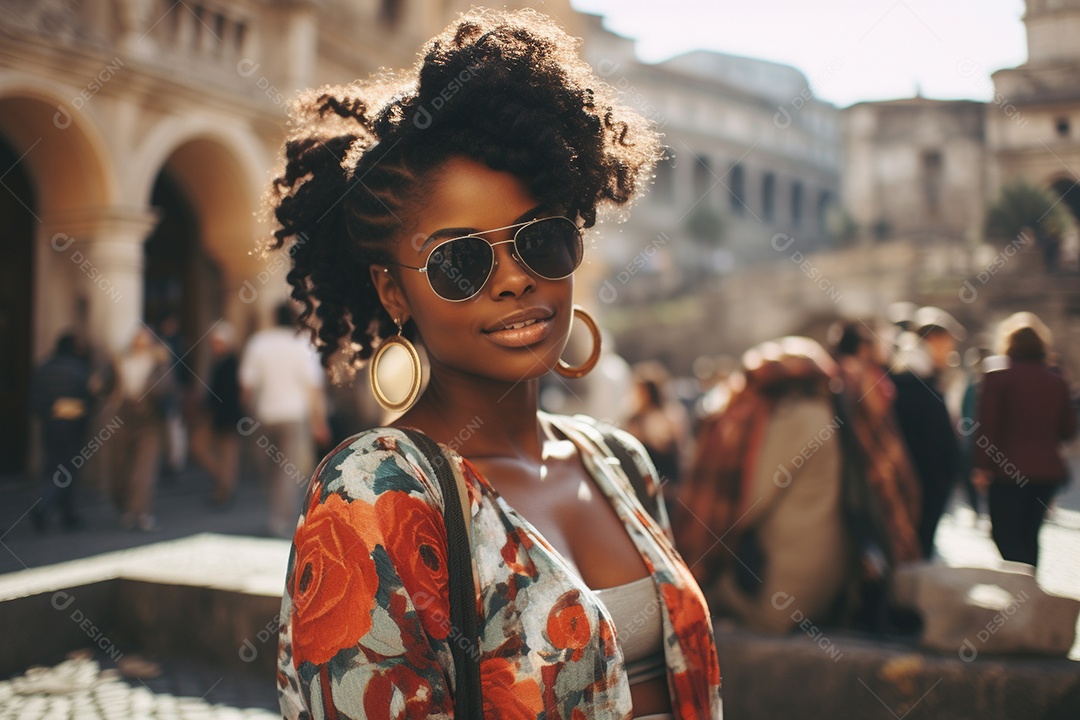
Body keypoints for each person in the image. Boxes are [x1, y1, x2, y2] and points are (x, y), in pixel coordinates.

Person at [269, 10, 721, 719]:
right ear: (395, 291)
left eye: (541, 239)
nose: (513, 280)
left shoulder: (620, 462)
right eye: (460, 259)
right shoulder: (374, 491)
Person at [675, 337, 850, 635]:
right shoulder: (823, 411)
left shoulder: (793, 418)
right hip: (828, 574)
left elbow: (749, 504)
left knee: (702, 594)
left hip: (786, 591)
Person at [973, 312, 1077, 567]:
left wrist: (982, 466)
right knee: (1030, 535)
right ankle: (1029, 591)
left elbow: (988, 426)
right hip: (1047, 473)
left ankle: (1022, 591)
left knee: (1005, 534)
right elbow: (1067, 431)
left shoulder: (997, 377)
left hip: (1007, 471)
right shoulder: (1057, 381)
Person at [240, 302, 330, 538]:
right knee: (289, 468)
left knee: (269, 468)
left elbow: (246, 387)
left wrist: (249, 412)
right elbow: (314, 388)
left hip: (265, 415)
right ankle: (283, 517)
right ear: (294, 320)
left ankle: (278, 512)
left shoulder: (258, 343)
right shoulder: (302, 345)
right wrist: (319, 421)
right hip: (294, 416)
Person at [891, 306, 964, 558]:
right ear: (933, 340)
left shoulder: (922, 378)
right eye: (948, 344)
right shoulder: (914, 382)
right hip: (919, 491)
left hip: (924, 488)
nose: (951, 352)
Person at [108, 327, 176, 531]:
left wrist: (155, 380)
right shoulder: (122, 360)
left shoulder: (160, 363)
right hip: (123, 417)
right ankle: (125, 507)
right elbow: (107, 384)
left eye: (146, 338)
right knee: (119, 468)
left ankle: (141, 511)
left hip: (150, 420)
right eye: (139, 338)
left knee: (143, 471)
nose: (142, 342)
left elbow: (167, 387)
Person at [30, 333, 94, 532]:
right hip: (71, 427)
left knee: (53, 467)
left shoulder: (44, 367)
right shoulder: (79, 369)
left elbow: (34, 399)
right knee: (66, 470)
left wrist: (48, 415)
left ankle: (67, 514)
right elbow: (88, 397)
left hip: (50, 425)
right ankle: (43, 506)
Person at [189, 321, 243, 506]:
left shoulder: (231, 363)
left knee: (228, 455)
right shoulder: (219, 362)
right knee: (202, 447)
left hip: (228, 416)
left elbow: (232, 393)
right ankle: (224, 483)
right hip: (217, 415)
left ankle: (224, 490)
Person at [625, 361, 689, 490]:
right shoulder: (635, 417)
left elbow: (673, 447)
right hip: (642, 476)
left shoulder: (669, 415)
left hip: (664, 477)